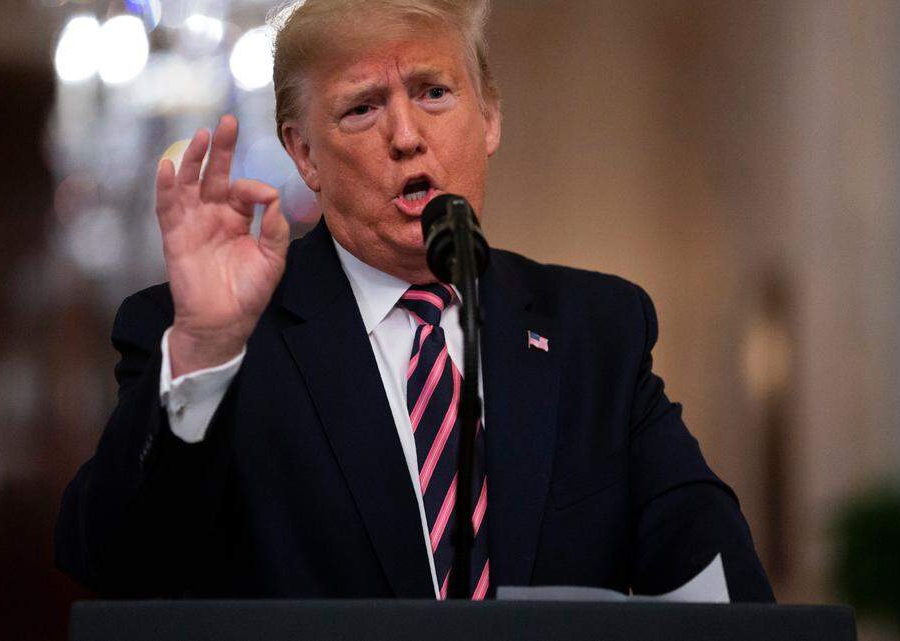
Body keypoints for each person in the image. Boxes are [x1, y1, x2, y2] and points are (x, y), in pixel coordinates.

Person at [55, 0, 774, 602]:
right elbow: (115, 565)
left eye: (434, 93)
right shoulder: (210, 339)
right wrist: (205, 349)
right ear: (303, 154)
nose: (406, 136)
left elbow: (714, 579)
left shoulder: (597, 333)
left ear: (489, 117)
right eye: (362, 108)